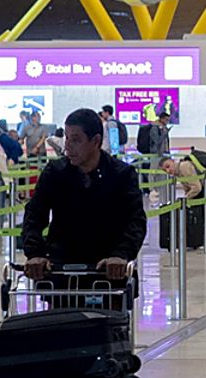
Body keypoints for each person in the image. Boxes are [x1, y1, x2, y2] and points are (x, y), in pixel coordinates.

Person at [22, 108, 147, 280]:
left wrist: (121, 254)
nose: (67, 146)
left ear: (95, 141)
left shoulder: (121, 174)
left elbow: (135, 220)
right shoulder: (55, 173)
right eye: (67, 138)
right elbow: (34, 214)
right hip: (61, 269)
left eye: (76, 140)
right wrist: (35, 253)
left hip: (109, 271)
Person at [159, 154, 206, 241]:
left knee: (199, 215)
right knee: (198, 214)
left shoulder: (184, 167)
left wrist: (186, 200)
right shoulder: (178, 173)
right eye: (165, 170)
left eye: (168, 166)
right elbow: (189, 189)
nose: (168, 170)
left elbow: (196, 187)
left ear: (172, 161)